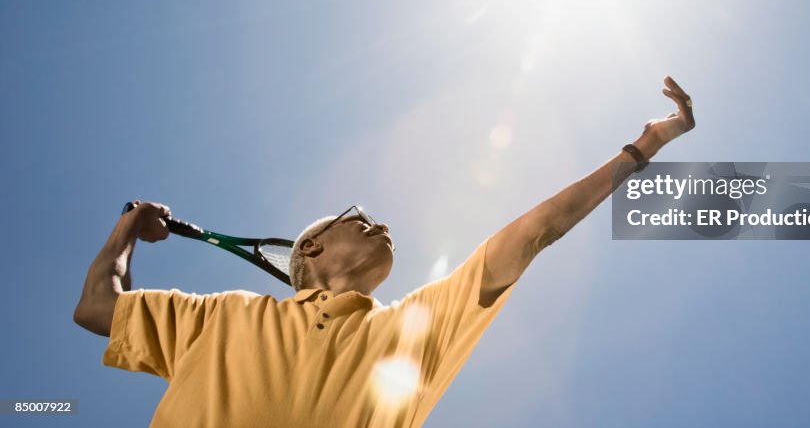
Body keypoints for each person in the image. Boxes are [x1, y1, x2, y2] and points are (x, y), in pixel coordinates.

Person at [74, 76, 695, 427]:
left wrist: (641, 149)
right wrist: (126, 227)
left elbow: (536, 230)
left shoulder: (415, 331)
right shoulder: (219, 317)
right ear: (311, 245)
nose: (381, 224)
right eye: (361, 218)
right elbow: (98, 307)